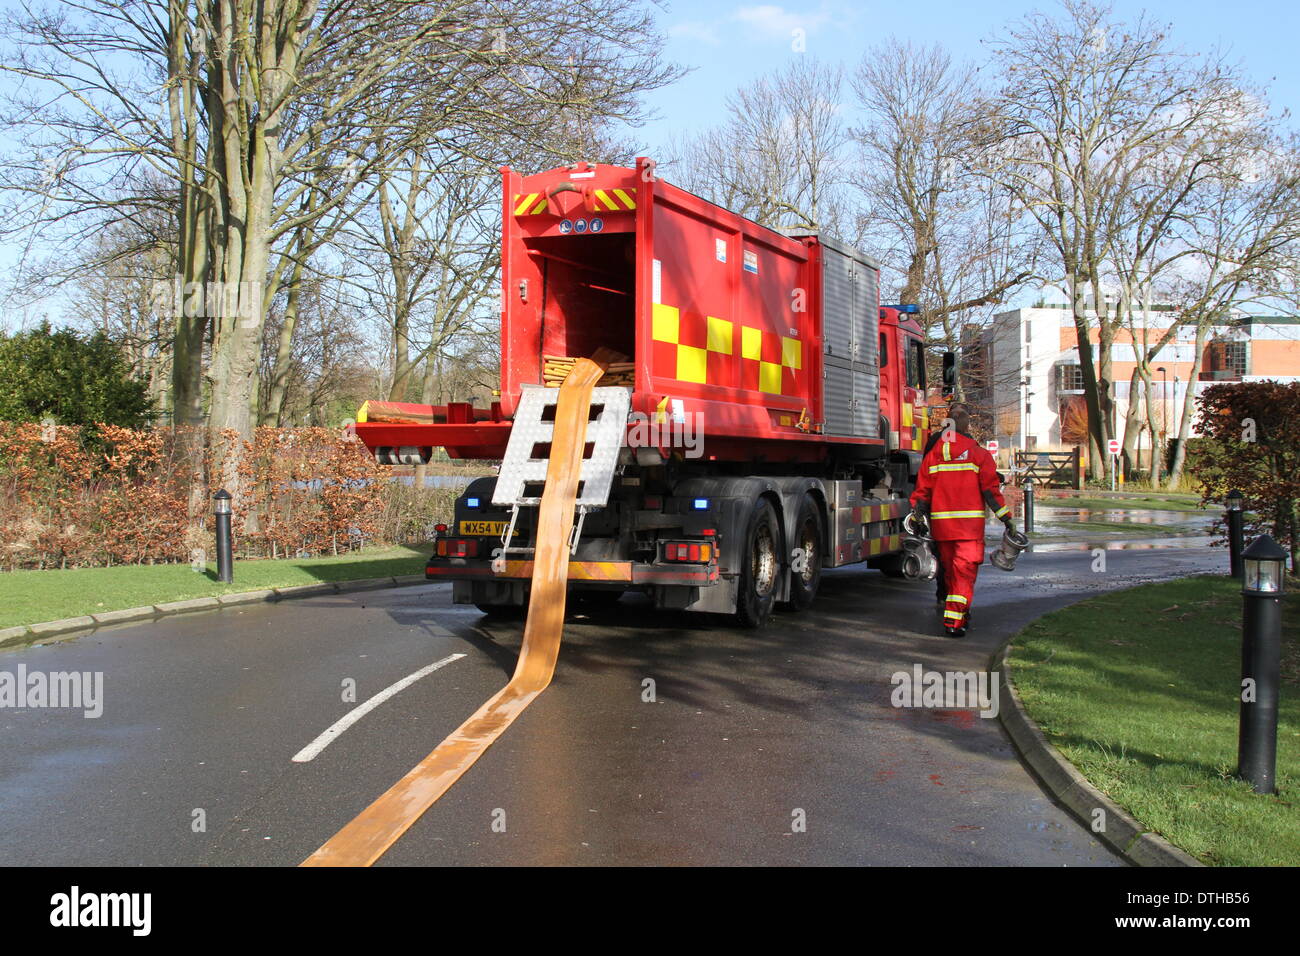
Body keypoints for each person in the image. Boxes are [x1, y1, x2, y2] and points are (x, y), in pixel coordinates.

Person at [909, 405, 1015, 638]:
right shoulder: (979, 454)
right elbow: (991, 491)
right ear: (968, 425)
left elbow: (922, 490)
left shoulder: (934, 455)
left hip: (943, 529)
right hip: (968, 530)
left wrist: (918, 515)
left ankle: (959, 614)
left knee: (950, 574)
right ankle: (954, 622)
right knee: (963, 576)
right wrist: (1007, 519)